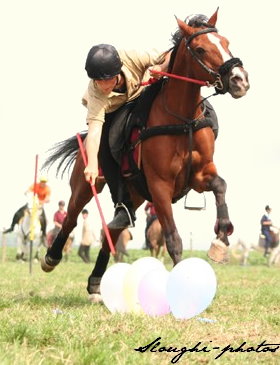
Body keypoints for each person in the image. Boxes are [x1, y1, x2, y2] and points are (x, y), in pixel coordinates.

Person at [82, 14, 218, 230]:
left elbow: (167, 56)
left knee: (202, 112)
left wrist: (162, 70)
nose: (102, 84)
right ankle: (123, 206)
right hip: (114, 110)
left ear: (118, 70)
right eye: (97, 80)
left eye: (106, 79)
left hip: (142, 94)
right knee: (108, 142)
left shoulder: (133, 57)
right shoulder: (96, 94)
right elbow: (95, 131)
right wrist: (90, 163)